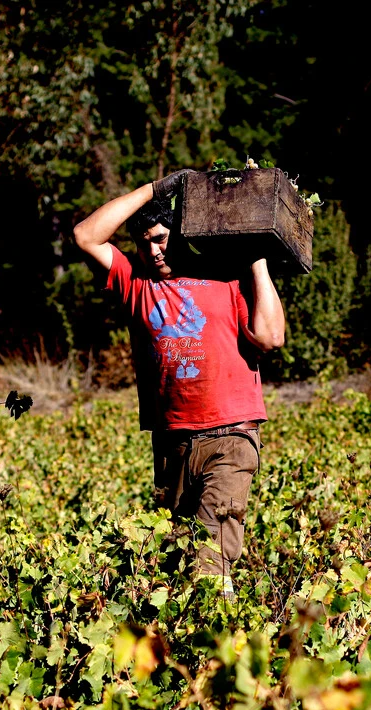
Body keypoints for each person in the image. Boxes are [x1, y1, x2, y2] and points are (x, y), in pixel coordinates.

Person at [73, 170, 285, 595]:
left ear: (182, 234)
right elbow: (85, 235)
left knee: (211, 557)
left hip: (231, 435)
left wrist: (257, 258)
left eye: (162, 238)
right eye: (145, 241)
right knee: (176, 557)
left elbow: (271, 337)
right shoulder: (135, 284)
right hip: (173, 444)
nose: (153, 250)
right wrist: (156, 190)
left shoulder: (225, 278)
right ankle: (186, 649)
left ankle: (222, 648)